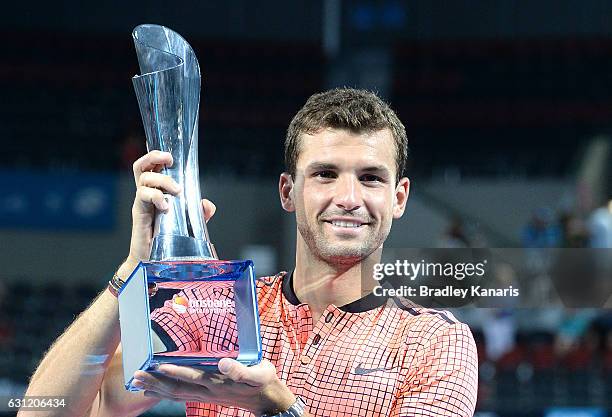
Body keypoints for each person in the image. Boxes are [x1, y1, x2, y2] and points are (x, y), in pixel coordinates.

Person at [21, 88, 478, 417]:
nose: (348, 197)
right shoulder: (221, 313)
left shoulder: (435, 342)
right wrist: (131, 270)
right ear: (287, 191)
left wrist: (277, 408)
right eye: (324, 174)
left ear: (398, 198)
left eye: (371, 178)